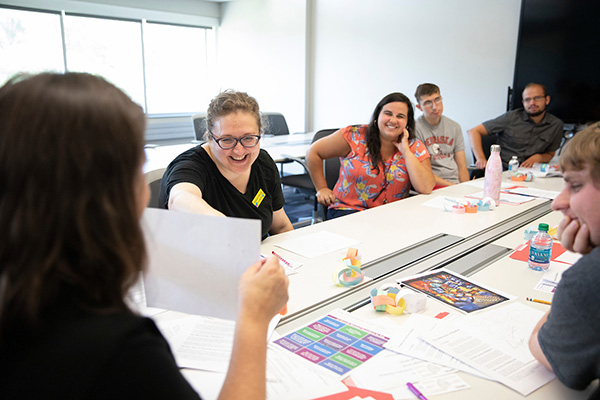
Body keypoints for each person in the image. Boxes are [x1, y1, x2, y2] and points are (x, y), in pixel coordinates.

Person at [0, 73, 289, 399]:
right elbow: (181, 198)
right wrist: (252, 320)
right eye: (137, 171)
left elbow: (280, 223)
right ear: (107, 196)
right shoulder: (119, 349)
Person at [159, 90, 293, 240]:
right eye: (227, 140)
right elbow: (179, 198)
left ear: (260, 134)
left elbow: (281, 227)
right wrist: (222, 225)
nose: (239, 150)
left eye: (248, 138)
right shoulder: (190, 166)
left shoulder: (263, 163)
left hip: (254, 259)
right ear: (210, 138)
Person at [528, 122, 600, 392]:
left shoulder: (591, 278)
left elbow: (542, 346)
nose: (557, 202)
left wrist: (588, 262)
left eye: (576, 186)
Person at [306, 92, 435, 219]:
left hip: (393, 214)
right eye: (388, 113)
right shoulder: (354, 136)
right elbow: (313, 152)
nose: (393, 120)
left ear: (407, 122)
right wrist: (322, 188)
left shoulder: (414, 146)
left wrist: (406, 151)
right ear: (377, 115)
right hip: (349, 211)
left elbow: (426, 187)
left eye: (400, 116)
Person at [468, 83, 564, 169]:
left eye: (537, 98)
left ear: (547, 100)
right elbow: (473, 131)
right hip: (504, 169)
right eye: (527, 100)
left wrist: (539, 157)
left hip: (532, 171)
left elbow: (550, 154)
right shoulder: (511, 117)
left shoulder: (556, 125)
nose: (532, 103)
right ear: (523, 103)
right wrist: (481, 159)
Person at [414, 83, 469, 186]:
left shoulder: (454, 127)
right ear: (419, 107)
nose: (434, 107)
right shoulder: (415, 129)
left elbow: (462, 167)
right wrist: (452, 187)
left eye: (437, 100)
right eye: (428, 103)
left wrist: (465, 188)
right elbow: (422, 172)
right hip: (431, 185)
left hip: (455, 183)